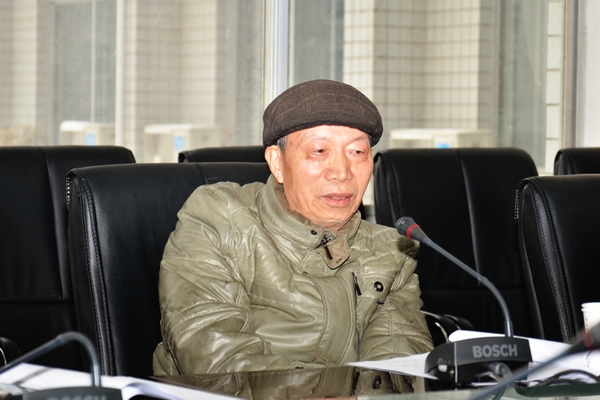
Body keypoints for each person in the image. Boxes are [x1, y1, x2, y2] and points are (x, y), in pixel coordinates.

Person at [152, 79, 433, 376]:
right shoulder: (219, 219)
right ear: (277, 162)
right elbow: (215, 355)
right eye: (319, 151)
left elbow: (400, 364)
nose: (341, 172)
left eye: (357, 152)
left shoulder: (391, 251)